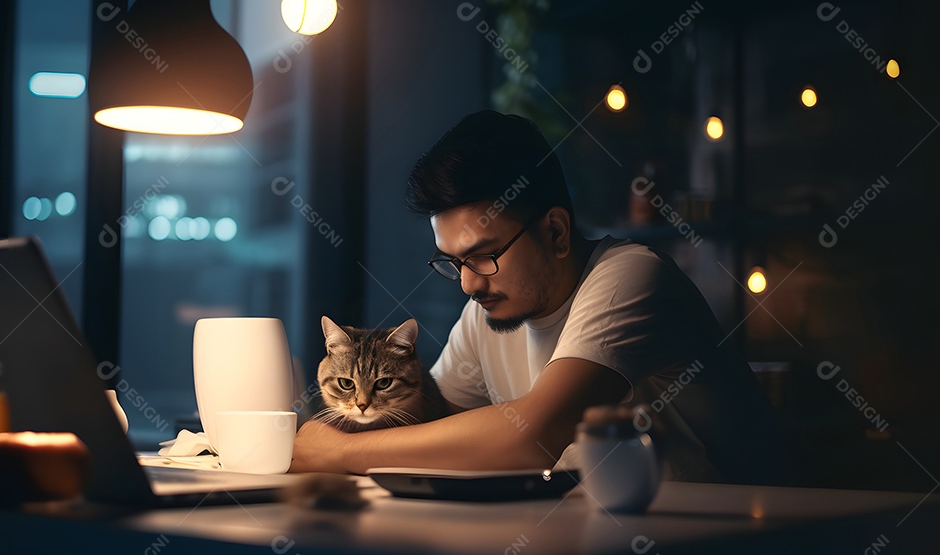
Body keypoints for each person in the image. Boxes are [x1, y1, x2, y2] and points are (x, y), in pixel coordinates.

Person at [291, 110, 798, 485]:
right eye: (453, 262)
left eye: (484, 255)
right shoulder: (482, 313)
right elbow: (429, 426)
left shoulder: (631, 279)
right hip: (597, 552)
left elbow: (530, 435)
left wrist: (335, 452)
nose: (469, 283)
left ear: (556, 232)